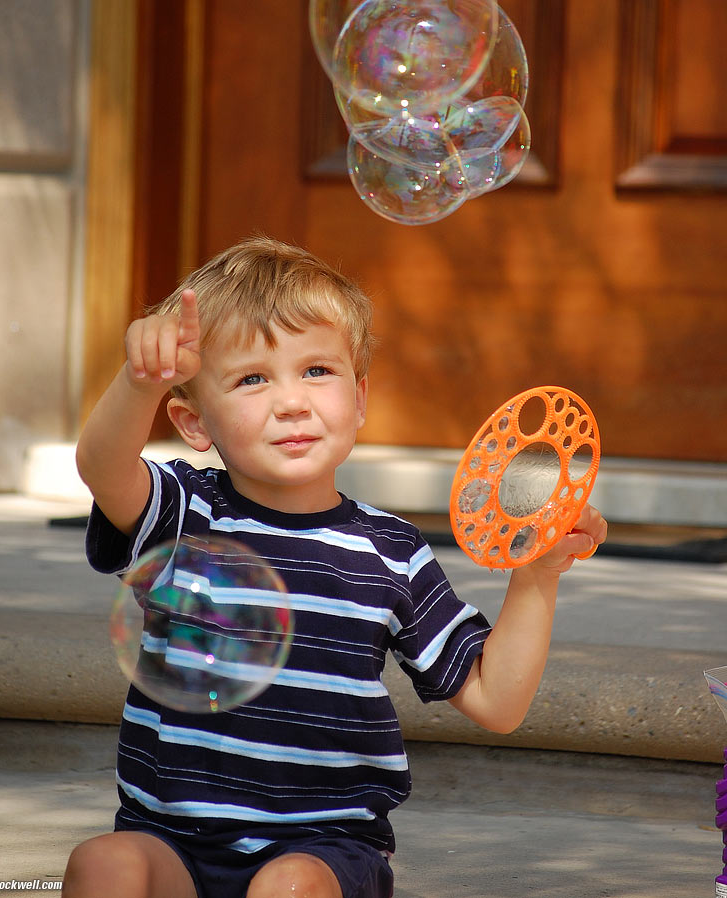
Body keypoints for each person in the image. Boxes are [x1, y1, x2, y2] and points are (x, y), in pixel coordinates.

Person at [63, 235, 607, 898]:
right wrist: (136, 381)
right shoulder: (184, 514)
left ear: (360, 397)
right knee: (102, 864)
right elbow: (101, 466)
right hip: (171, 839)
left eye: (317, 370)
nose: (291, 401)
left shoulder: (391, 552)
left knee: (287, 887)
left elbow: (497, 701)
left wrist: (538, 575)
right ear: (192, 421)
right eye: (251, 379)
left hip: (321, 848)